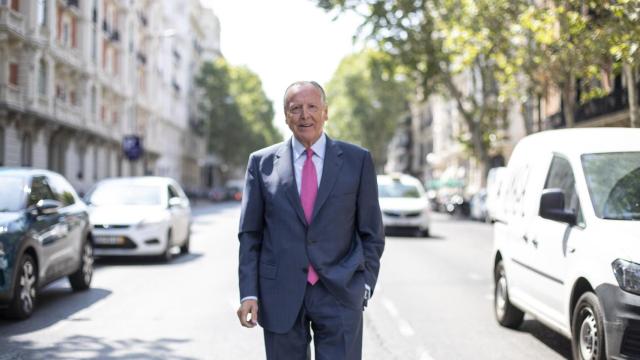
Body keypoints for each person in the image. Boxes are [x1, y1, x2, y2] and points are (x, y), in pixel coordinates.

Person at [236, 81, 385, 360]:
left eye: (312, 107)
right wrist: (249, 293)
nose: (305, 115)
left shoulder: (358, 160)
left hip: (340, 292)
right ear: (285, 116)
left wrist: (364, 284)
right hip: (279, 294)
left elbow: (372, 232)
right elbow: (250, 235)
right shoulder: (261, 163)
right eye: (296, 109)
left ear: (326, 112)